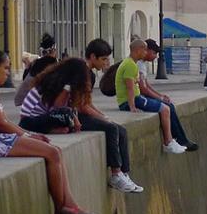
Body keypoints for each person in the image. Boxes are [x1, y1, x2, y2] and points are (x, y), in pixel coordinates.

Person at [0, 44, 98, 214]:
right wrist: (28, 136)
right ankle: (61, 210)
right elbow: (0, 123)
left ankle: (69, 206)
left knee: (55, 150)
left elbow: (3, 121)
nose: (8, 73)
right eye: (6, 68)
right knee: (52, 152)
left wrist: (27, 135)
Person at [79, 39, 142, 193]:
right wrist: (102, 118)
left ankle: (124, 173)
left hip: (82, 112)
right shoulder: (82, 73)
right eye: (103, 59)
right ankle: (115, 174)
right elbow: (81, 106)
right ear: (92, 57)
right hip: (75, 116)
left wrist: (102, 115)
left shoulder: (90, 74)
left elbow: (88, 102)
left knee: (122, 130)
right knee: (111, 129)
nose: (106, 63)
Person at [116, 39, 186, 154]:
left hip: (134, 99)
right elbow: (130, 88)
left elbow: (137, 85)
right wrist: (132, 106)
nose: (145, 53)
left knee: (165, 107)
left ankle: (172, 140)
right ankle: (168, 142)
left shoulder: (130, 63)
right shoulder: (130, 65)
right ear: (138, 50)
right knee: (165, 109)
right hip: (132, 100)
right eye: (144, 50)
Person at [141, 40, 198, 150]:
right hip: (140, 98)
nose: (155, 56)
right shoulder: (138, 65)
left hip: (142, 96)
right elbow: (143, 89)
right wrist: (160, 98)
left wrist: (161, 96)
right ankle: (179, 139)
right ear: (146, 50)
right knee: (168, 107)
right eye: (154, 53)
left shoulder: (142, 64)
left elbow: (147, 86)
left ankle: (181, 139)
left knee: (170, 105)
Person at [19, 58, 89, 135]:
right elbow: (58, 107)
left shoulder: (58, 82)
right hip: (29, 120)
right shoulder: (57, 85)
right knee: (66, 116)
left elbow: (69, 107)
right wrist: (75, 120)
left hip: (40, 118)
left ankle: (54, 129)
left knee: (73, 116)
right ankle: (50, 130)